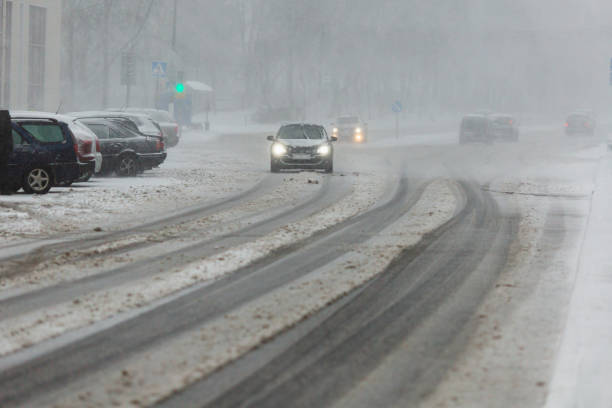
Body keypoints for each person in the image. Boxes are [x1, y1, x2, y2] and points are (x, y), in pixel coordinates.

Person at [0, 110, 13, 194]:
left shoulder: (4, 119)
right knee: (4, 170)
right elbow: (9, 136)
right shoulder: (5, 119)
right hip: (5, 149)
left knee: (3, 170)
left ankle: (4, 188)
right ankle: (5, 189)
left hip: (3, 149)